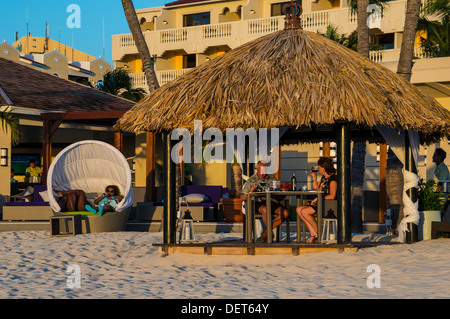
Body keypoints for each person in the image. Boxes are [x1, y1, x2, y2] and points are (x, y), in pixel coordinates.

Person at [240, 161, 289, 243]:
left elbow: (280, 194)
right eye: (261, 170)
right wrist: (251, 191)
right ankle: (269, 232)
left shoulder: (271, 178)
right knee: (265, 209)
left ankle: (267, 231)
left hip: (271, 201)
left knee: (285, 213)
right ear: (257, 169)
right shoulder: (251, 180)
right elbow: (241, 198)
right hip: (256, 203)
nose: (263, 173)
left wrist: (278, 192)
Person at [296, 157, 337, 243]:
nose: (318, 168)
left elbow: (332, 196)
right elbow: (316, 188)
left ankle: (319, 233)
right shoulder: (324, 178)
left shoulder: (333, 180)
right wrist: (314, 177)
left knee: (304, 212)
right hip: (322, 203)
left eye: (319, 167)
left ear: (324, 167)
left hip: (329, 206)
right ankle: (314, 233)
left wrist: (318, 199)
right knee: (299, 209)